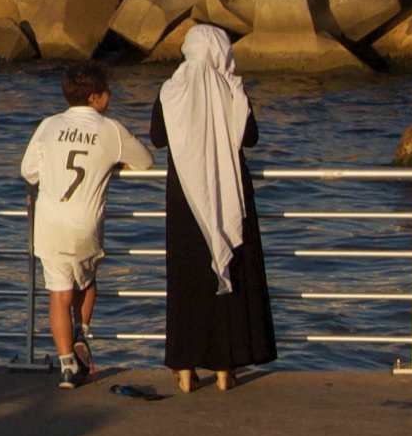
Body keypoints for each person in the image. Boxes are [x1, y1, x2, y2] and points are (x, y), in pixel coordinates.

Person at [152, 26, 278, 392]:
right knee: (230, 278)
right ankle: (225, 367)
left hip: (184, 195)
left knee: (187, 279)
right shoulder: (232, 89)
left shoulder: (171, 90)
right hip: (229, 190)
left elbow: (158, 138)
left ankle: (185, 366)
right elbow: (250, 137)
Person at [20, 61, 152, 389]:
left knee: (58, 295)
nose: (111, 95)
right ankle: (82, 333)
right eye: (108, 90)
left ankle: (67, 365)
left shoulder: (49, 125)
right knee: (88, 281)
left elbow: (28, 171)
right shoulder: (110, 129)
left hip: (50, 223)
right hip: (85, 222)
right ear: (95, 97)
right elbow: (146, 161)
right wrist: (115, 163)